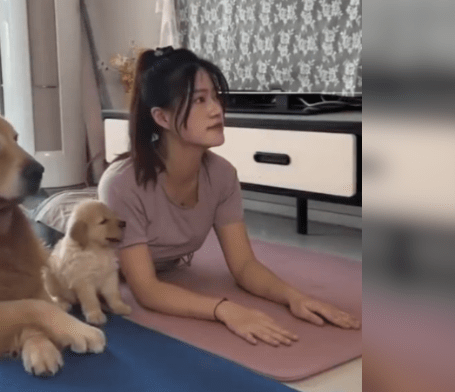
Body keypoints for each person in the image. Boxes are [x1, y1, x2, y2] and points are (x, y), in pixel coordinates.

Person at [97, 46, 360, 347]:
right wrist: (224, 309)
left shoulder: (222, 176)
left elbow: (244, 266)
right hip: (77, 251)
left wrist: (295, 297)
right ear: (162, 118)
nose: (216, 110)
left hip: (162, 266)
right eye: (199, 100)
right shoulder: (122, 185)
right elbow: (145, 290)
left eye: (216, 97)